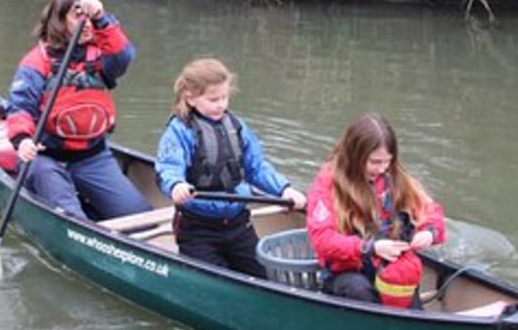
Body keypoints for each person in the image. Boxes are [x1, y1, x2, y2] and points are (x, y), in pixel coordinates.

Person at [6, 0, 153, 220]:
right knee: (71, 217)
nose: (86, 25)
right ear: (60, 20)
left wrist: (101, 18)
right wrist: (23, 140)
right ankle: (72, 210)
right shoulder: (36, 62)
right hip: (45, 158)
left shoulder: (103, 59)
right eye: (77, 17)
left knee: (139, 216)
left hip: (92, 157)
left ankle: (91, 206)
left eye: (89, 19)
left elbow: (123, 56)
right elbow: (20, 107)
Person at [155, 58, 307, 276]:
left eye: (224, 97)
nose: (221, 105)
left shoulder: (237, 127)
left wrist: (284, 189)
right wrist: (177, 185)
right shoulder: (179, 131)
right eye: (213, 99)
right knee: (214, 278)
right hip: (198, 228)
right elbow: (168, 168)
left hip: (238, 224)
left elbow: (257, 167)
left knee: (265, 276)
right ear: (190, 99)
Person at [305, 113, 446, 307]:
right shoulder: (328, 183)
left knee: (406, 275)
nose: (382, 169)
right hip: (346, 273)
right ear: (355, 156)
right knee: (359, 290)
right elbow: (322, 240)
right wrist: (370, 248)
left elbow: (431, 212)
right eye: (374, 162)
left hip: (385, 265)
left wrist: (430, 233)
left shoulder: (394, 177)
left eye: (387, 161)